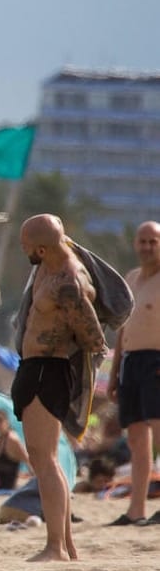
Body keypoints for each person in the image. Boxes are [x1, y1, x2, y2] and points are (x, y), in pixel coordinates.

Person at [11, 214, 110, 561]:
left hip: (48, 371)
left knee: (46, 458)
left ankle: (55, 546)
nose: (23, 250)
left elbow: (94, 338)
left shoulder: (68, 281)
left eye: (25, 245)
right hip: (34, 368)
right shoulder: (46, 265)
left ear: (40, 247)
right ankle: (65, 544)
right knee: (42, 459)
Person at [109, 220, 160, 525]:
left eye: (153, 241)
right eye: (142, 241)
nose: (147, 247)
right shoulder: (131, 278)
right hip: (131, 362)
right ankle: (136, 509)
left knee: (159, 434)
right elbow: (122, 330)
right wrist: (114, 372)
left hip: (157, 361)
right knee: (136, 440)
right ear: (135, 244)